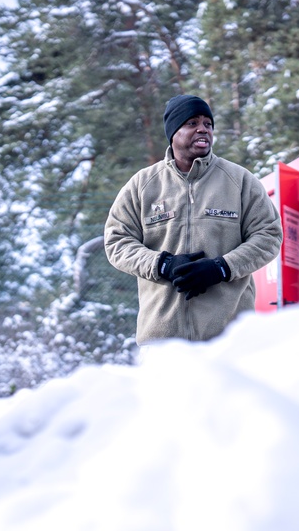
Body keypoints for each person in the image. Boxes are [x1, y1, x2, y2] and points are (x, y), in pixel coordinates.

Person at [104, 94, 283, 345]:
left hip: (230, 340)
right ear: (173, 132)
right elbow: (117, 242)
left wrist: (222, 268)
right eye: (192, 123)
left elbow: (269, 236)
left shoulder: (240, 181)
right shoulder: (143, 185)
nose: (203, 129)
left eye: (208, 124)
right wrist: (162, 265)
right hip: (162, 341)